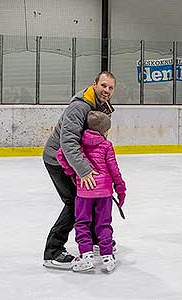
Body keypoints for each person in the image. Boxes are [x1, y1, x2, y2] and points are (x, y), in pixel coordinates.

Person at [42, 71, 116, 269]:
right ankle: (53, 251)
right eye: (103, 85)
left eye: (110, 87)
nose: (106, 90)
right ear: (95, 84)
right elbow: (68, 143)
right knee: (76, 203)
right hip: (58, 160)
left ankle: (95, 239)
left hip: (75, 161)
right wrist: (84, 170)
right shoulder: (79, 107)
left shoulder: (101, 105)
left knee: (89, 198)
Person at [56, 111, 126, 272]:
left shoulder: (79, 143)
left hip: (84, 192)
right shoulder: (107, 145)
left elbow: (60, 154)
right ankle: (107, 255)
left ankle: (86, 255)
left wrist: (72, 172)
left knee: (82, 223)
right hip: (105, 193)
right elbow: (114, 170)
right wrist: (120, 189)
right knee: (103, 223)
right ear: (105, 131)